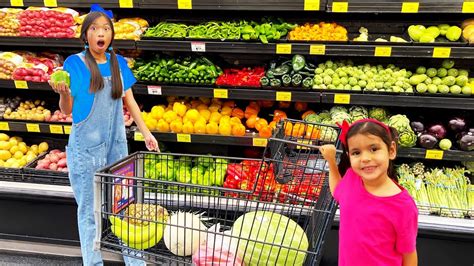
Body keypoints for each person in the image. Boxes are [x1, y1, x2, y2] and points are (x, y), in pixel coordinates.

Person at [49, 7, 158, 266]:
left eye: (106, 28)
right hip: (85, 149)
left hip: (116, 147)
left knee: (125, 206)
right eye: (95, 28)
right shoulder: (74, 63)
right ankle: (93, 262)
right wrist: (63, 93)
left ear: (111, 34)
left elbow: (129, 100)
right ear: (86, 34)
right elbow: (68, 111)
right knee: (89, 211)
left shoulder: (117, 63)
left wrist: (146, 132)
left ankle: (135, 262)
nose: (101, 33)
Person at [319, 119, 418, 266]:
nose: (365, 158)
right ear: (349, 155)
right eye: (356, 152)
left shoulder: (403, 206)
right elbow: (337, 192)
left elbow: (409, 255)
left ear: (391, 150)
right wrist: (331, 161)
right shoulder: (352, 178)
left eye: (374, 149)